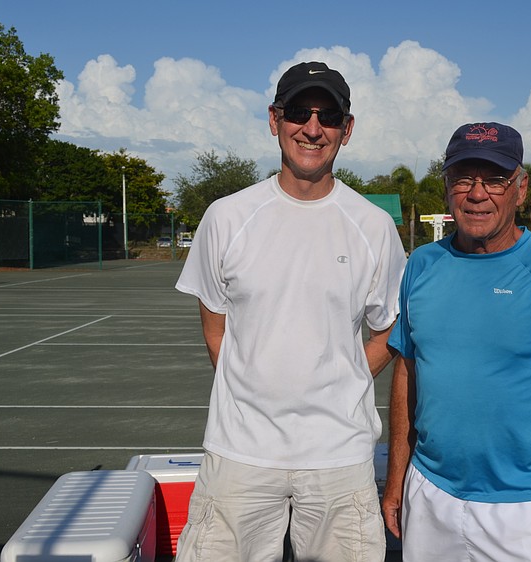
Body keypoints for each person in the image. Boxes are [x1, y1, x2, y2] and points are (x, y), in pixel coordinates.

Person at [174, 61, 407, 562]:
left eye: (328, 116)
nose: (313, 128)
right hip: (239, 455)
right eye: (300, 111)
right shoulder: (227, 217)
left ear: (347, 130)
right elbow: (216, 328)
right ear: (275, 119)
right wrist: (254, 389)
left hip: (338, 459)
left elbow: (390, 327)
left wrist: (343, 378)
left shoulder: (372, 226)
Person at [382, 122, 531, 561]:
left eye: (494, 179)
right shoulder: (420, 265)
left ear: (520, 188)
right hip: (430, 494)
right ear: (447, 186)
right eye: (463, 178)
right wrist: (397, 474)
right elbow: (407, 372)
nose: (477, 193)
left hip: (526, 511)